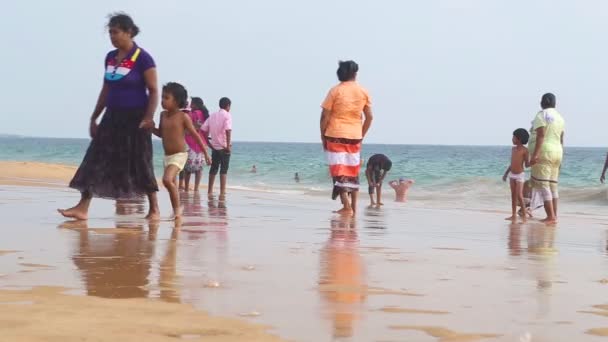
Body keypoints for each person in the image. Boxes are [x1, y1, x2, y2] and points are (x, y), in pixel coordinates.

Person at [59, 13, 160, 221]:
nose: (112, 36)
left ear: (129, 32)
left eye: (116, 32)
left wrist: (149, 117)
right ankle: (82, 207)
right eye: (110, 32)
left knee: (140, 161)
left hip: (136, 118)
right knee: (95, 159)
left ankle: (155, 209)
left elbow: (153, 90)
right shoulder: (110, 58)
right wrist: (94, 117)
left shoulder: (143, 58)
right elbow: (106, 89)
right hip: (112, 116)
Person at [320, 61, 373, 216]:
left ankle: (347, 206)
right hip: (355, 135)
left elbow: (325, 116)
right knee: (352, 170)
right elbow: (369, 117)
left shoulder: (335, 91)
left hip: (335, 133)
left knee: (338, 170)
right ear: (355, 74)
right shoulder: (363, 91)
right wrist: (361, 134)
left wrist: (322, 135)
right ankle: (353, 208)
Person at [153, 82, 211, 219]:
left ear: (177, 101)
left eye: (166, 98)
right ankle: (177, 211)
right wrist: (151, 128)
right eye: (162, 97)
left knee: (166, 180)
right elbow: (161, 133)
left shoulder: (183, 117)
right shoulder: (162, 115)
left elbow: (196, 135)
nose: (162, 101)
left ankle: (178, 209)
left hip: (179, 155)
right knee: (171, 183)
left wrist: (206, 154)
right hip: (167, 156)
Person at [528, 93, 565, 224]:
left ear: (544, 102)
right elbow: (561, 138)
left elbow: (541, 135)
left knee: (544, 185)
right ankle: (554, 215)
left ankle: (550, 217)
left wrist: (535, 154)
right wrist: (561, 156)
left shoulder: (541, 115)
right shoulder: (560, 118)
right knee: (553, 185)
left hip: (544, 152)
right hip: (557, 152)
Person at [202, 97, 233, 200]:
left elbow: (203, 129)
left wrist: (208, 142)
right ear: (228, 106)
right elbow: (228, 130)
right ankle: (222, 192)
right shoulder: (227, 115)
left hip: (215, 147)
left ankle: (210, 190)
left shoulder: (212, 116)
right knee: (223, 170)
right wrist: (228, 146)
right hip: (224, 147)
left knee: (214, 169)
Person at [502, 128, 530, 221]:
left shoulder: (525, 150)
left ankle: (524, 215)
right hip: (512, 175)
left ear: (519, 139)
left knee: (519, 195)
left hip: (520, 175)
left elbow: (527, 164)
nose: (512, 139)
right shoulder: (513, 149)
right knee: (513, 195)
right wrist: (506, 174)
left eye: (514, 137)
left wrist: (534, 161)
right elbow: (512, 163)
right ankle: (513, 215)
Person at [183, 97, 209, 192]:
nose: (190, 105)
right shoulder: (204, 114)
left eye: (192, 103)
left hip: (191, 142)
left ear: (195, 104)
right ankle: (196, 188)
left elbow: (192, 127)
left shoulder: (193, 114)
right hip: (201, 142)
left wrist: (185, 130)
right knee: (199, 168)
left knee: (188, 167)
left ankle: (186, 188)